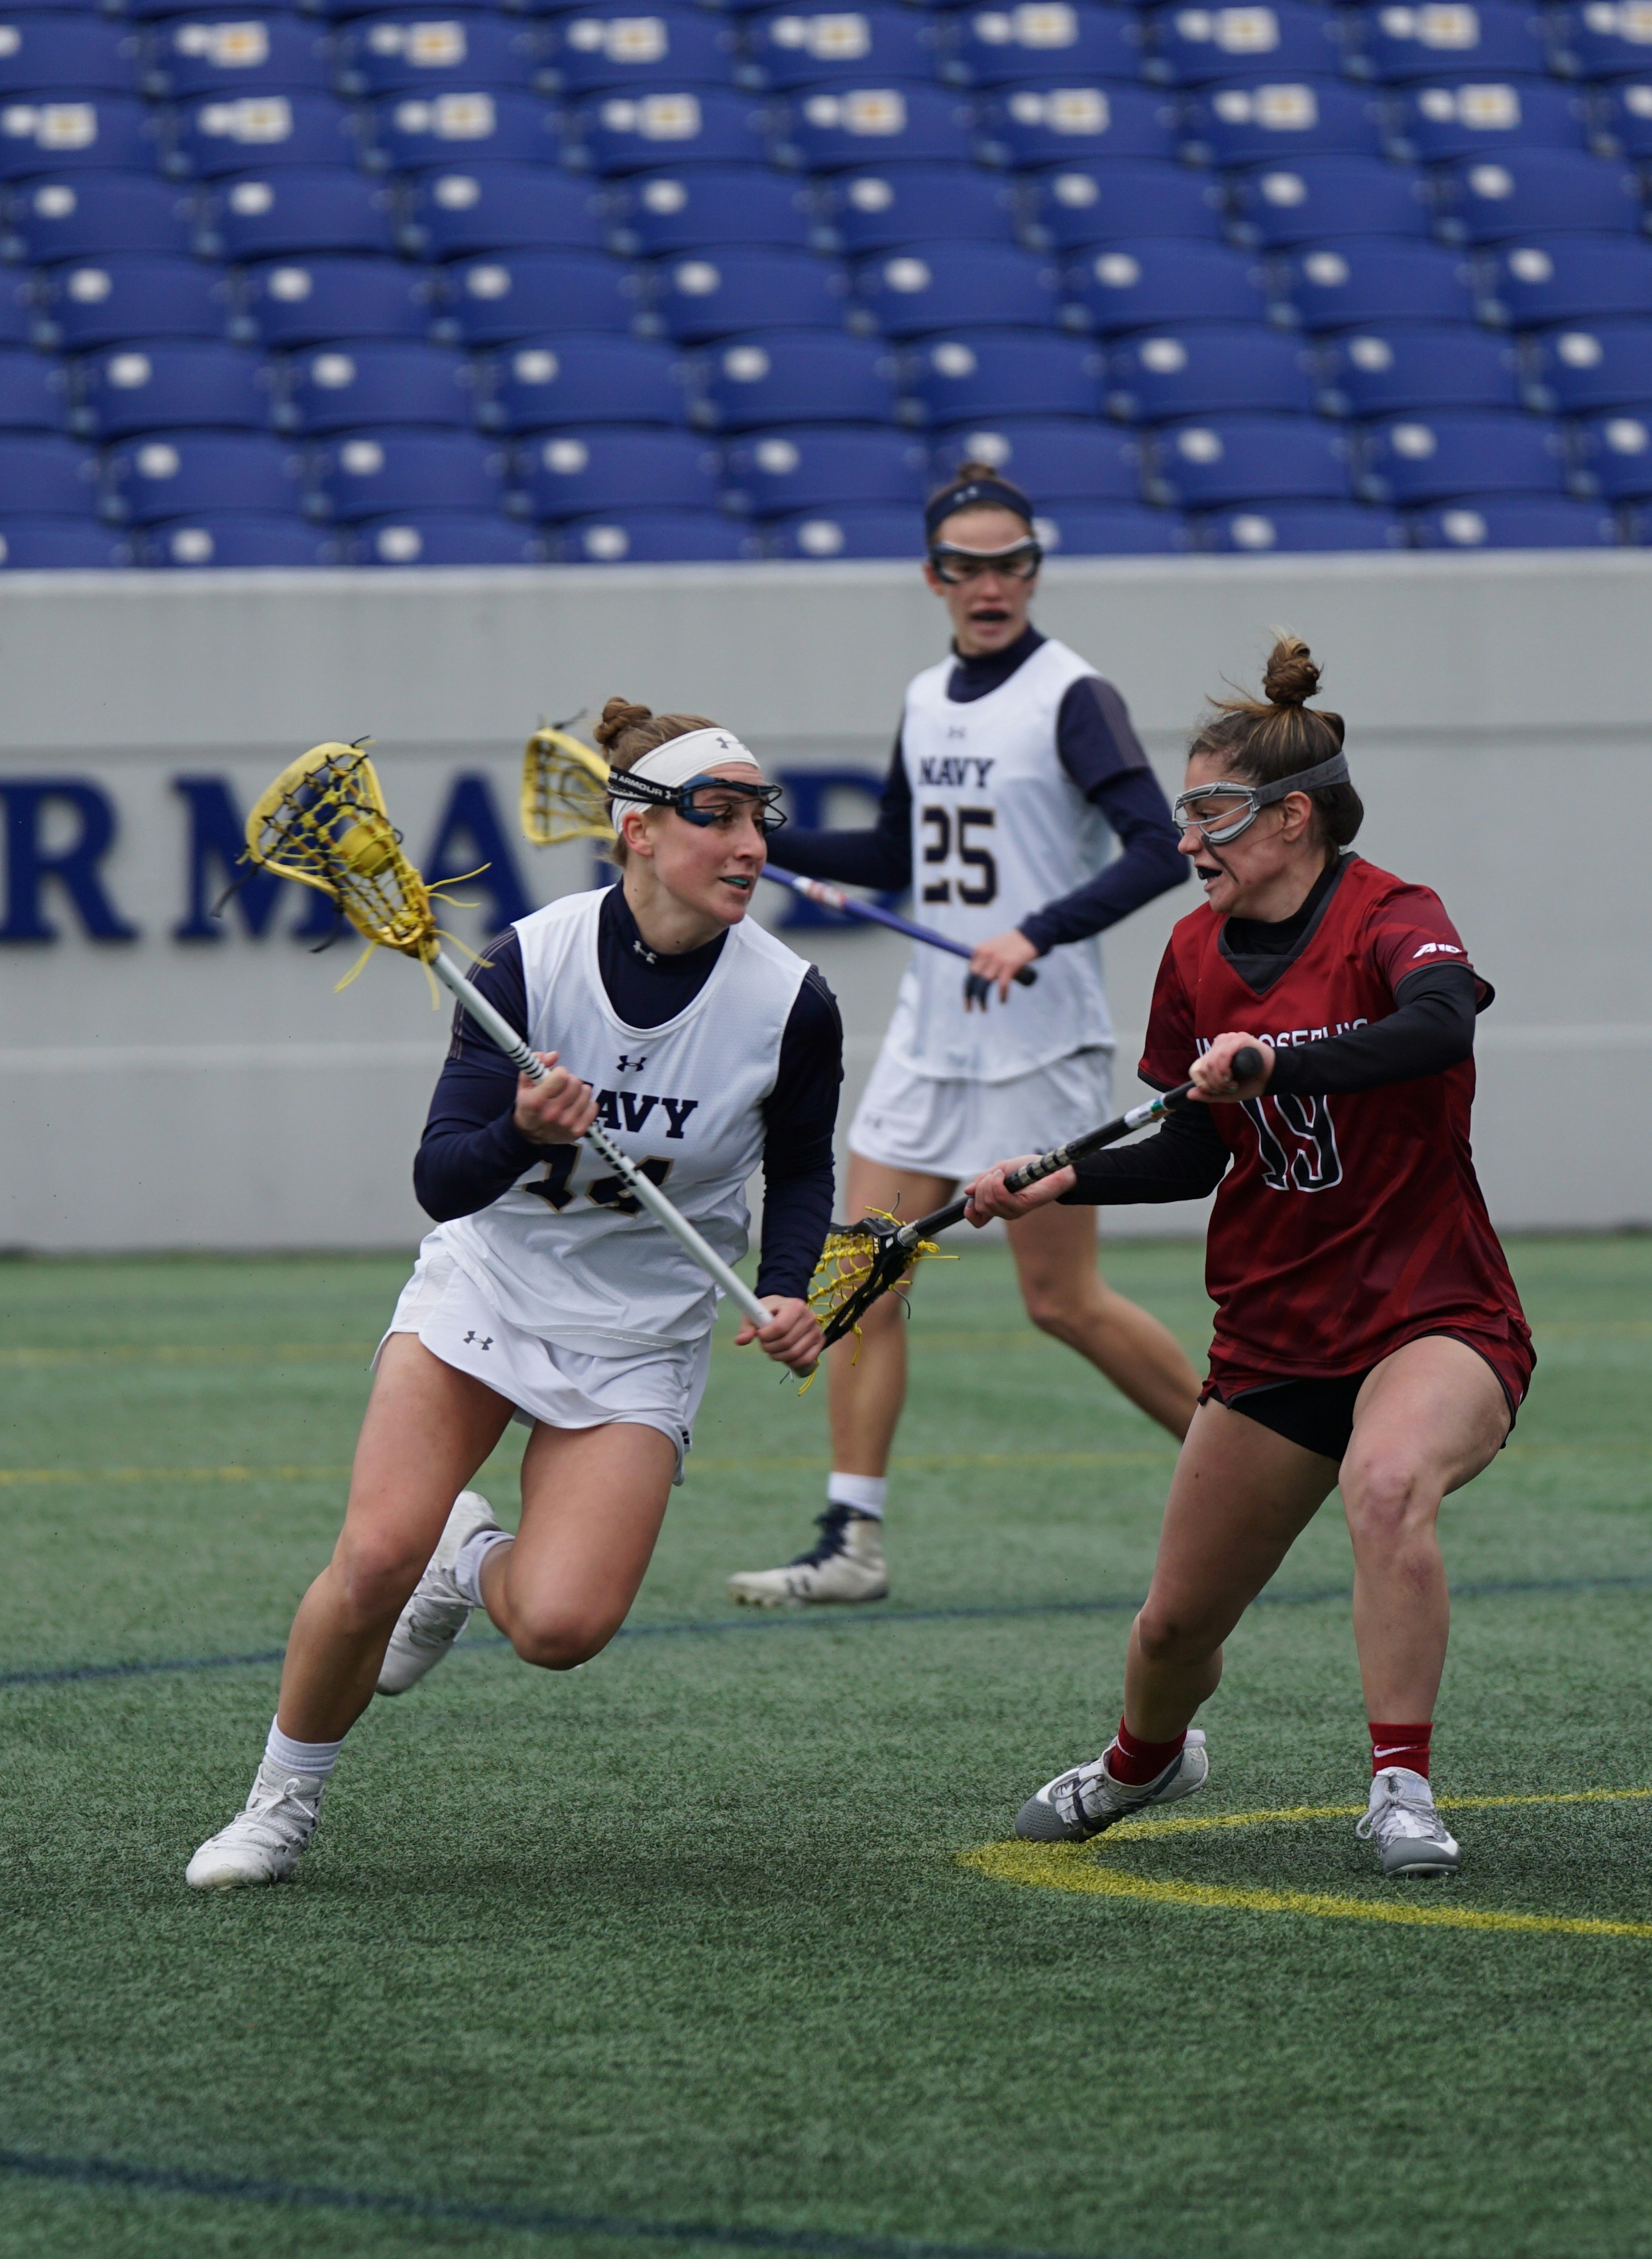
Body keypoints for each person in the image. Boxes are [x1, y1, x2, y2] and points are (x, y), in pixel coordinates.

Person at [186, 703, 840, 1889]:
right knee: (372, 1559)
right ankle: (278, 1803)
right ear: (639, 831)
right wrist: (521, 1133)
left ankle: (467, 1560)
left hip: (640, 1332)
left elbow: (798, 1171)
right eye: (720, 817)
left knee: (558, 1627)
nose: (752, 845)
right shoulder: (525, 963)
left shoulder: (792, 1001)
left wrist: (789, 1290)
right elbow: (443, 1181)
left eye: (762, 819)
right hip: (491, 1286)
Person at [965, 636, 1531, 1880]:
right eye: (1184, 816)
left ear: (1292, 817)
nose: (1188, 841)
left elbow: (1439, 1029)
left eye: (1210, 814)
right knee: (1174, 1627)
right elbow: (1189, 1149)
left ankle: (1400, 1786)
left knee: (1388, 1486)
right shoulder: (1192, 954)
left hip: (1432, 1312)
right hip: (1278, 1330)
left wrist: (1282, 1060)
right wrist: (1059, 1178)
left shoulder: (1396, 917)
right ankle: (1144, 1762)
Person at [725, 464, 1203, 1609]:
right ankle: (852, 1540)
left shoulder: (1073, 696)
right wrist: (758, 840)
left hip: (1038, 1039)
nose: (990, 586)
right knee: (863, 1276)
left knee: (1060, 1302)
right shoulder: (928, 695)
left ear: (1034, 570)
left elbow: (1159, 847)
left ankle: (1261, 1462)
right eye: (966, 567)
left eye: (1011, 564)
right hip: (931, 1035)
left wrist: (1036, 931)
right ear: (934, 576)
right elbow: (897, 850)